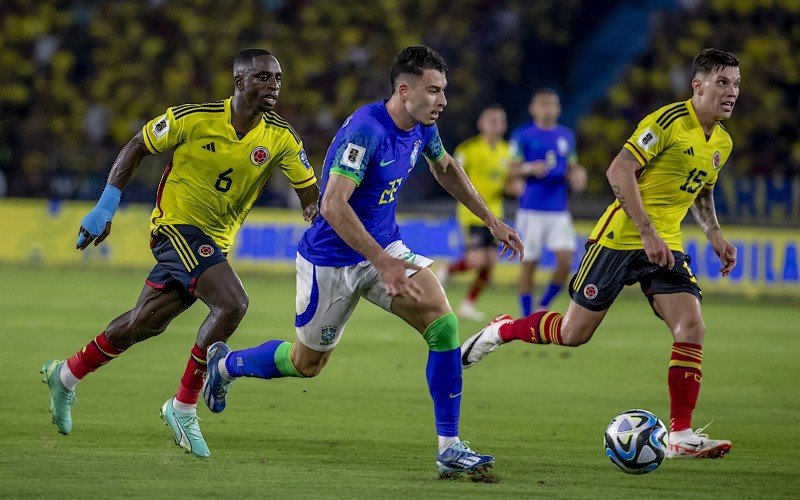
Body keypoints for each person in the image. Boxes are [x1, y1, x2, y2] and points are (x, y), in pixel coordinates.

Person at [202, 45, 523, 477]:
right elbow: (333, 205)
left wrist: (490, 218)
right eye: (433, 91)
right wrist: (383, 263)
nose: (442, 101)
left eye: (444, 90)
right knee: (306, 364)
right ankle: (227, 364)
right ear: (404, 89)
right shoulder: (367, 130)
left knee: (443, 324)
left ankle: (450, 446)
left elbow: (445, 168)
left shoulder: (423, 126)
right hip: (331, 259)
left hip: (384, 247)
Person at [461, 48, 740, 459]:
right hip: (621, 237)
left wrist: (714, 234)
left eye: (735, 83)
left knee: (692, 327)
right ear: (697, 86)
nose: (732, 91)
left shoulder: (723, 141)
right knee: (574, 334)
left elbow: (702, 188)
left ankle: (680, 434)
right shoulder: (666, 122)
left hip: (666, 245)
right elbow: (618, 170)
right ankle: (503, 329)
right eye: (722, 82)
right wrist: (645, 231)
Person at [40, 48, 319, 458]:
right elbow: (137, 144)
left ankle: (65, 374)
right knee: (233, 304)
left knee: (144, 323)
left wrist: (316, 213)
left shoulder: (280, 137)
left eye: (277, 78)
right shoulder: (194, 117)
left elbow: (308, 192)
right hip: (174, 228)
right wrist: (106, 206)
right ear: (239, 82)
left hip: (214, 242)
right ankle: (184, 405)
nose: (273, 86)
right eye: (262, 77)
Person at [509, 88, 587, 316]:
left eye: (552, 105)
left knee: (565, 261)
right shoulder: (523, 135)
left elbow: (572, 167)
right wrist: (528, 168)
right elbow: (511, 168)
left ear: (558, 109)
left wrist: (578, 174)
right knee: (529, 265)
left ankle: (542, 306)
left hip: (558, 210)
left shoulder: (566, 136)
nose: (548, 109)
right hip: (531, 210)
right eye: (543, 105)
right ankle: (526, 316)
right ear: (533, 108)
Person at [436, 105, 512, 321]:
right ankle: (448, 270)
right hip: (472, 214)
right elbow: (452, 176)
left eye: (500, 120)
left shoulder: (508, 151)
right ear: (481, 124)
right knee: (478, 260)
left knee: (490, 262)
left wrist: (514, 186)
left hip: (496, 214)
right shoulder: (468, 149)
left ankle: (468, 304)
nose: (497, 125)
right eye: (492, 120)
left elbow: (508, 182)